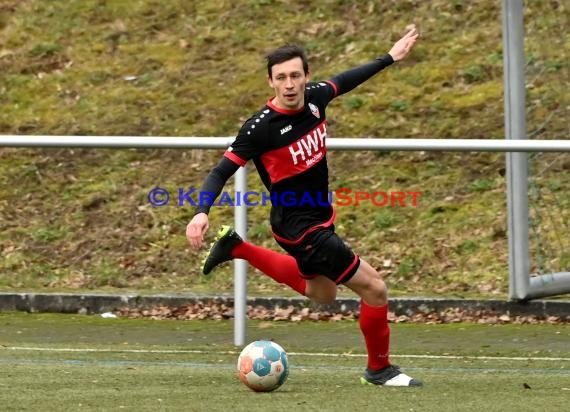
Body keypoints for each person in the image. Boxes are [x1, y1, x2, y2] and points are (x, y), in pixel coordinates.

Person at [186, 26, 421, 387]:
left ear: (306, 76)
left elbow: (347, 79)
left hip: (318, 219)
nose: (290, 83)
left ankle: (238, 247)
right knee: (375, 288)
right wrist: (202, 210)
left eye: (295, 75)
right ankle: (379, 369)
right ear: (271, 83)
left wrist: (390, 57)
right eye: (281, 77)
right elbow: (221, 171)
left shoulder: (315, 99)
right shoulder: (259, 129)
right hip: (301, 229)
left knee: (322, 294)